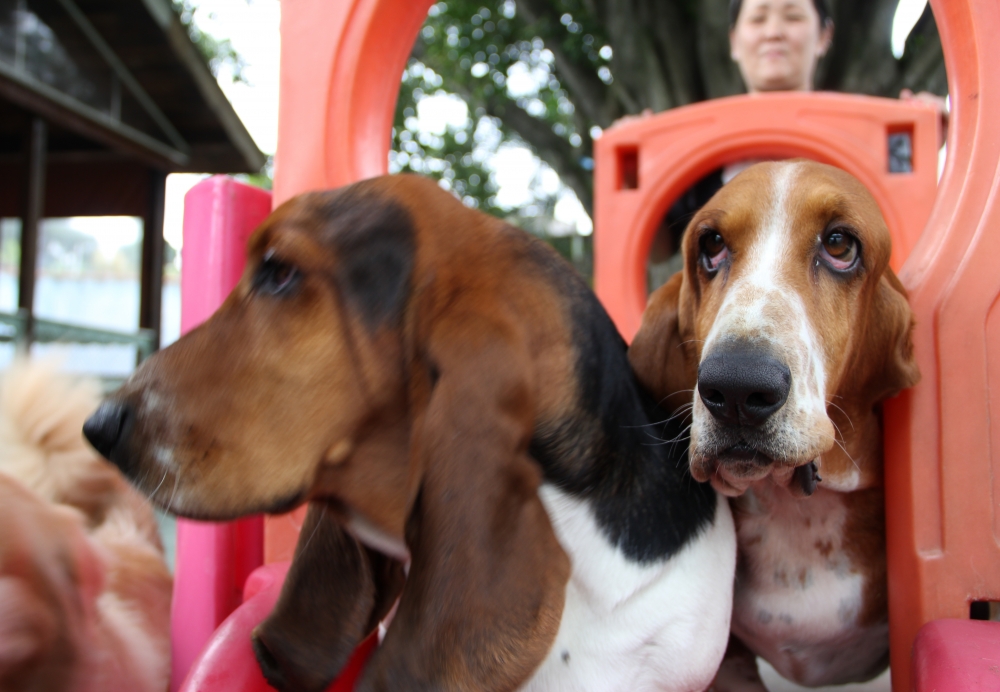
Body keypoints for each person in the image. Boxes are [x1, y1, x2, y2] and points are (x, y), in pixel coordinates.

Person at [646, 0, 946, 290]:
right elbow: (653, 246)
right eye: (758, 18)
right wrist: (639, 169)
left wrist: (947, 147)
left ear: (824, 36)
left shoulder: (869, 142)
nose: (774, 31)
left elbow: (913, 231)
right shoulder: (695, 152)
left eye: (793, 16)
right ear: (735, 41)